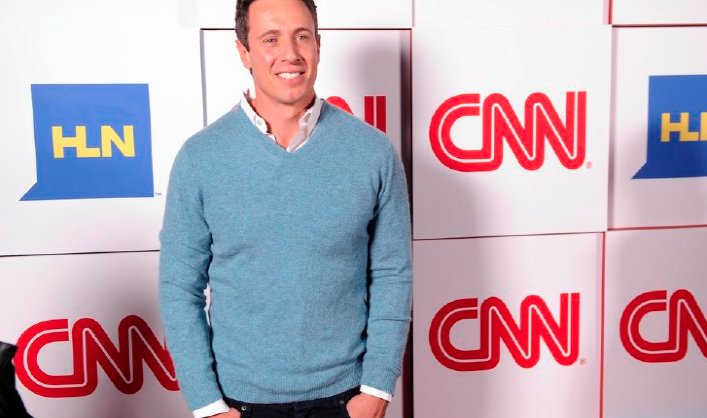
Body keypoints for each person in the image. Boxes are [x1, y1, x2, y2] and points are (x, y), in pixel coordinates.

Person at [159, 0, 412, 417]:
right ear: (244, 52)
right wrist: (207, 405)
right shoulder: (200, 158)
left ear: (318, 46)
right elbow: (179, 286)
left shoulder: (373, 152)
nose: (290, 54)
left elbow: (392, 274)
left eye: (302, 36)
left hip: (347, 398)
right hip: (241, 403)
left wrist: (377, 389)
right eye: (270, 39)